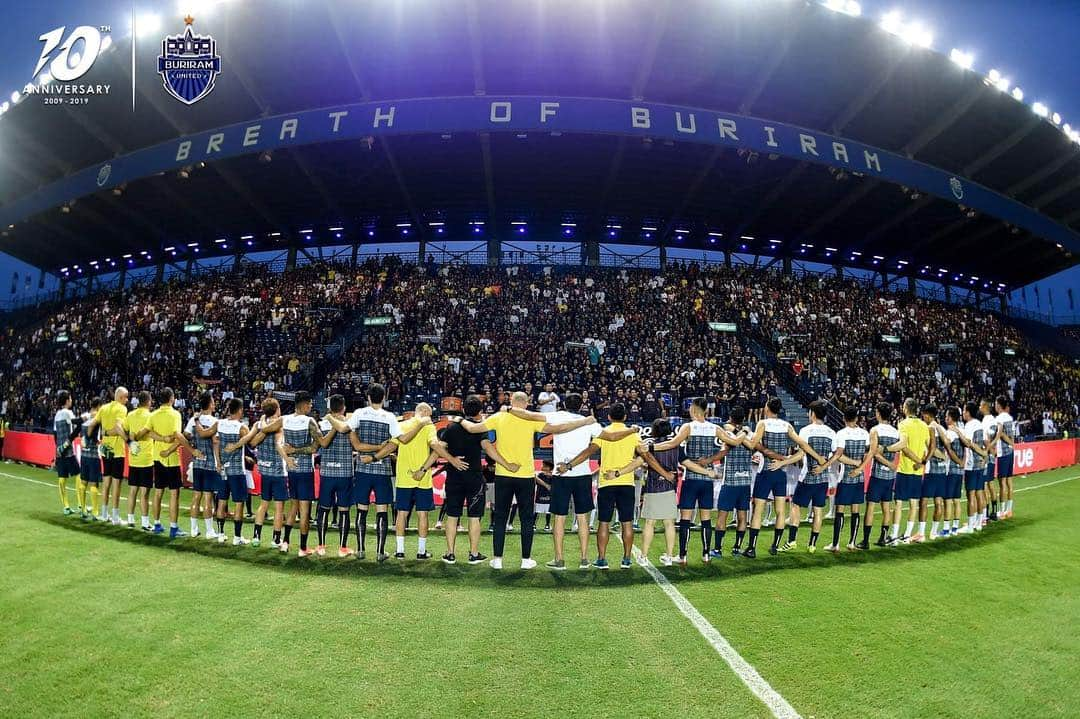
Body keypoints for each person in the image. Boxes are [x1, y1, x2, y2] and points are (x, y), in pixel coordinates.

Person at [462, 392, 597, 570]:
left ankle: (497, 560)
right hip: (525, 475)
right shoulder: (530, 419)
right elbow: (559, 429)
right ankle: (526, 560)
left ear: (511, 401)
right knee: (526, 518)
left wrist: (457, 419)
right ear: (526, 404)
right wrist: (584, 421)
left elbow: (472, 429)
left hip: (503, 473)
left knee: (501, 517)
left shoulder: (500, 416)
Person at [651, 397, 748, 564]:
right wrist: (745, 431)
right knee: (705, 519)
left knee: (686, 519)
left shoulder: (688, 427)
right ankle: (706, 554)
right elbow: (734, 442)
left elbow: (672, 443)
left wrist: (651, 447)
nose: (689, 410)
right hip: (707, 480)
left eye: (690, 408)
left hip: (691, 479)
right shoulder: (715, 428)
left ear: (695, 410)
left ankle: (682, 556)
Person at [563, 403, 651, 569]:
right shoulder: (633, 435)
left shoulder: (604, 433)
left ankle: (602, 559)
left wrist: (569, 465)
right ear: (625, 417)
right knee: (627, 522)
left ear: (609, 417)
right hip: (626, 483)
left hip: (606, 483)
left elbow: (589, 451)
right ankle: (626, 559)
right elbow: (643, 456)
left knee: (604, 522)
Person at [743, 397, 826, 558]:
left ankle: (752, 548)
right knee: (781, 511)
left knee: (758, 510)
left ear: (767, 408)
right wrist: (818, 457)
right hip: (781, 472)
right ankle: (775, 546)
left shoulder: (763, 424)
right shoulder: (786, 425)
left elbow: (753, 445)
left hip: (766, 469)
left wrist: (744, 435)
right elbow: (803, 444)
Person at [437, 395, 515, 564]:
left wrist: (452, 460)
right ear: (480, 411)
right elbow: (489, 449)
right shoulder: (480, 429)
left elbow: (438, 449)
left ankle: (450, 553)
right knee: (474, 517)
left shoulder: (451, 427)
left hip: (454, 476)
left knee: (452, 516)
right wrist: (506, 464)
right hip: (474, 478)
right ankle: (473, 554)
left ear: (463, 409)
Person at [544, 392, 603, 570]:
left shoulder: (556, 416)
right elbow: (604, 438)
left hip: (561, 475)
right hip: (582, 474)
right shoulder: (588, 422)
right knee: (582, 518)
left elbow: (536, 419)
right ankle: (584, 558)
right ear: (581, 405)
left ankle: (559, 559)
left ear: (563, 404)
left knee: (559, 518)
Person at [146, 387, 204, 539]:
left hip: (157, 457)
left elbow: (148, 432)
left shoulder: (153, 415)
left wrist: (161, 439)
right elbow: (178, 436)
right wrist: (175, 450)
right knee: (174, 494)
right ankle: (173, 527)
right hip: (171, 460)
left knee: (158, 492)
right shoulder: (175, 414)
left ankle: (157, 524)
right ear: (171, 399)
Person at [281, 391, 331, 557]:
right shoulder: (309, 421)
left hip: (291, 470)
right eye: (309, 404)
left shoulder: (285, 419)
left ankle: (285, 542)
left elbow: (278, 442)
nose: (311, 407)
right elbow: (319, 445)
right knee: (304, 511)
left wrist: (288, 454)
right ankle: (303, 548)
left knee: (292, 507)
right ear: (303, 404)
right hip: (304, 471)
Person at [785, 401, 836, 553]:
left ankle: (792, 541)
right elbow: (834, 456)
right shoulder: (831, 433)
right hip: (822, 477)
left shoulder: (806, 431)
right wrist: (823, 467)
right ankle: (812, 545)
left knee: (795, 506)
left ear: (812, 413)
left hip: (807, 476)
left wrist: (785, 460)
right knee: (818, 511)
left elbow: (801, 453)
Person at [239, 398, 289, 549]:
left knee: (263, 504)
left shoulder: (259, 424)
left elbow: (252, 443)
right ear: (277, 409)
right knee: (279, 507)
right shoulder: (280, 424)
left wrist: (262, 425)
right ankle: (275, 540)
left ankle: (256, 536)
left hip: (264, 470)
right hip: (279, 471)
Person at [827, 406, 872, 551]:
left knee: (840, 510)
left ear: (844, 418)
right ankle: (852, 542)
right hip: (859, 477)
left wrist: (853, 463)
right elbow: (867, 454)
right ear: (857, 418)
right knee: (856, 510)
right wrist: (860, 466)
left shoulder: (841, 433)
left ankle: (836, 544)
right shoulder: (864, 433)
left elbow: (838, 454)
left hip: (845, 476)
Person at [713, 406, 756, 557]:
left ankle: (717, 549)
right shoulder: (750, 433)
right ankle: (737, 548)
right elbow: (753, 447)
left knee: (722, 515)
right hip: (745, 480)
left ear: (731, 417)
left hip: (730, 480)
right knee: (743, 516)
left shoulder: (727, 433)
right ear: (743, 418)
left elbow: (727, 446)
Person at [863, 402, 903, 549]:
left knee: (871, 507)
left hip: (878, 474)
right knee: (886, 507)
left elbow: (874, 452)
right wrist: (892, 465)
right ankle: (883, 538)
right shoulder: (895, 431)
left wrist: (887, 463)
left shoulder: (875, 430)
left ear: (878, 414)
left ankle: (866, 541)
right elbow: (898, 449)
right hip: (890, 476)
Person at [894, 398, 931, 543]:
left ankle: (895, 535)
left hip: (905, 468)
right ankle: (908, 534)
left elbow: (903, 446)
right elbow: (929, 447)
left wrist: (917, 461)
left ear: (906, 408)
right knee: (914, 503)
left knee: (898, 503)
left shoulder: (903, 424)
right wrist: (922, 462)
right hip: (917, 471)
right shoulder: (923, 425)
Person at [217, 398, 253, 546]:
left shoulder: (220, 423)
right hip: (237, 471)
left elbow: (214, 440)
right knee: (239, 504)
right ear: (239, 410)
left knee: (221, 502)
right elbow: (252, 440)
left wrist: (218, 462)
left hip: (223, 469)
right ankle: (237, 538)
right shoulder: (241, 427)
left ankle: (220, 534)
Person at [185, 391, 220, 540]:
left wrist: (193, 449)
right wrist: (219, 462)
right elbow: (215, 442)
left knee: (196, 497)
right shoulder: (214, 421)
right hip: (210, 464)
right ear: (210, 404)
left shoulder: (193, 420)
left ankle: (193, 529)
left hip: (197, 463)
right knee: (207, 498)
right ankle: (209, 531)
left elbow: (185, 436)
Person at [121, 391, 155, 530]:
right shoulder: (150, 416)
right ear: (148, 401)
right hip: (146, 459)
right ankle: (145, 523)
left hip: (134, 458)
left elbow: (123, 430)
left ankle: (130, 519)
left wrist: (130, 443)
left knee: (132, 490)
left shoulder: (130, 415)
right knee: (144, 493)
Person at [96, 387, 129, 524]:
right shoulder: (121, 409)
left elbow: (99, 426)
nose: (127, 400)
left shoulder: (103, 408)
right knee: (116, 484)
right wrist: (129, 441)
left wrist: (106, 433)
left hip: (105, 448)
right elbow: (118, 427)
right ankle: (115, 517)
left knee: (106, 482)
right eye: (126, 397)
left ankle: (104, 514)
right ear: (121, 397)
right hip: (116, 450)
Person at [959, 401, 989, 533]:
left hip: (972, 464)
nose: (963, 413)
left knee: (971, 495)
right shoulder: (980, 424)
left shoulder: (970, 425)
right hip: (981, 463)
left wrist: (958, 433)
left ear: (968, 412)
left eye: (964, 411)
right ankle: (979, 522)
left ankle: (970, 526)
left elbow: (968, 443)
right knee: (979, 493)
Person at [921, 405, 948, 541]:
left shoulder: (929, 427)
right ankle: (933, 532)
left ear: (927, 415)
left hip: (931, 470)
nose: (922, 417)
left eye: (923, 415)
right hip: (942, 470)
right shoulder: (940, 427)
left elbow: (932, 447)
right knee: (939, 502)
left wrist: (941, 456)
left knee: (924, 501)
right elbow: (947, 442)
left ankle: (921, 533)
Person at [942, 407, 968, 536]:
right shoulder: (962, 431)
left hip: (951, 469)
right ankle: (955, 528)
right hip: (959, 471)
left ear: (951, 418)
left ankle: (946, 529)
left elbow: (950, 451)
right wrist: (963, 463)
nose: (945, 418)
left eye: (947, 416)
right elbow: (966, 449)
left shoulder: (949, 433)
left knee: (947, 499)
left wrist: (958, 462)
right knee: (957, 499)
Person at [53, 390, 79, 515]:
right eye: (70, 398)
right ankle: (81, 505)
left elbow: (55, 434)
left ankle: (66, 507)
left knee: (62, 479)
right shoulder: (68, 413)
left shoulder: (57, 414)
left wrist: (58, 449)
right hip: (68, 451)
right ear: (67, 400)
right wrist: (67, 444)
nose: (71, 400)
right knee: (79, 476)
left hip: (59, 451)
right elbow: (75, 430)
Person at [78, 398, 103, 520]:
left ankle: (83, 510)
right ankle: (95, 512)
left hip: (83, 455)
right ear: (98, 406)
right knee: (94, 484)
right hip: (93, 454)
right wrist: (98, 442)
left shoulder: (84, 416)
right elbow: (94, 435)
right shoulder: (97, 418)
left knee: (83, 482)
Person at [994, 395, 1016, 518]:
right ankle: (1009, 509)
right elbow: (1012, 434)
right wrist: (1012, 445)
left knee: (1002, 482)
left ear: (999, 405)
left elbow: (1001, 433)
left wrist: (1009, 442)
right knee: (1009, 481)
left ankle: (1002, 511)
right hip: (1010, 452)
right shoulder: (1010, 418)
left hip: (1003, 452)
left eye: (996, 404)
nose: (995, 406)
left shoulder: (1000, 418)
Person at [980, 399, 1000, 522]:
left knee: (985, 485)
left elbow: (986, 439)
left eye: (980, 405)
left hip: (987, 456)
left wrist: (986, 452)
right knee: (991, 483)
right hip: (992, 455)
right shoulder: (994, 420)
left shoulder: (986, 421)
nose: (979, 407)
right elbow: (995, 437)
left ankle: (986, 514)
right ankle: (994, 511)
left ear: (985, 406)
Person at [534, 461, 554, 534]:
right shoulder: (540, 475)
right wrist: (546, 485)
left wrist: (550, 475)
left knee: (548, 511)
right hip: (540, 495)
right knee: (537, 511)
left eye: (544, 466)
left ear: (549, 468)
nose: (542, 467)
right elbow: (536, 479)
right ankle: (533, 525)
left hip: (549, 496)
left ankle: (547, 525)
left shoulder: (553, 476)